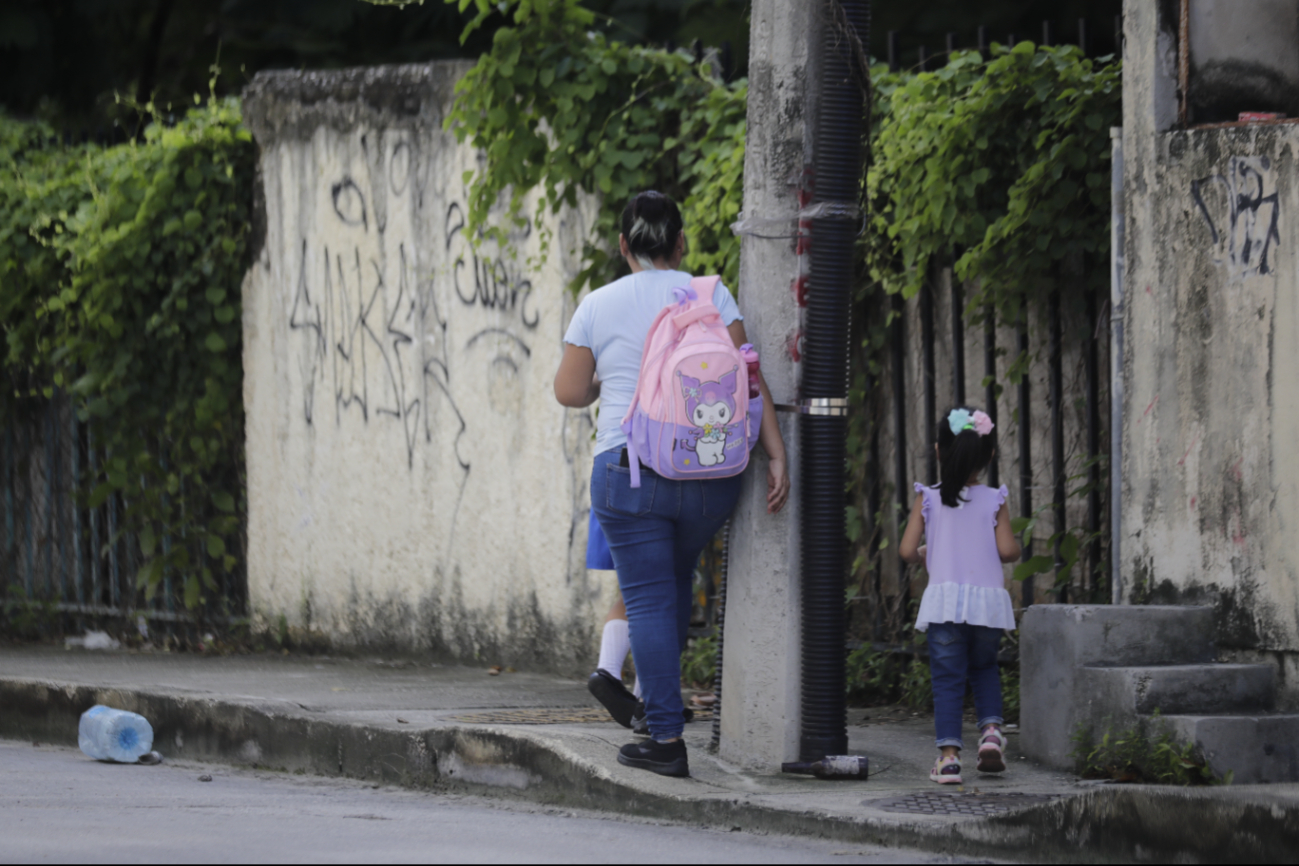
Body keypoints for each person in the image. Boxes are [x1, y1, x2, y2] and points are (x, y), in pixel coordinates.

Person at [554, 190, 789, 778]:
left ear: (623, 245)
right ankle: (656, 712)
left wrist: (606, 382)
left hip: (629, 476)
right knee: (673, 584)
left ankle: (664, 737)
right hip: (710, 475)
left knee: (650, 599)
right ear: (681, 243)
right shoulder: (711, 295)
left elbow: (569, 391)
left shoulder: (598, 305)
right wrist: (777, 454)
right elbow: (748, 378)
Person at [899, 406, 1021, 786]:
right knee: (985, 668)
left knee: (948, 680)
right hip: (986, 606)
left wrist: (925, 553)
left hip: (945, 607)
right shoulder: (994, 500)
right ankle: (990, 735)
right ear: (989, 456)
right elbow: (1006, 551)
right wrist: (1014, 545)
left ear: (938, 451)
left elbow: (906, 551)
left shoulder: (929, 499)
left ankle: (949, 760)